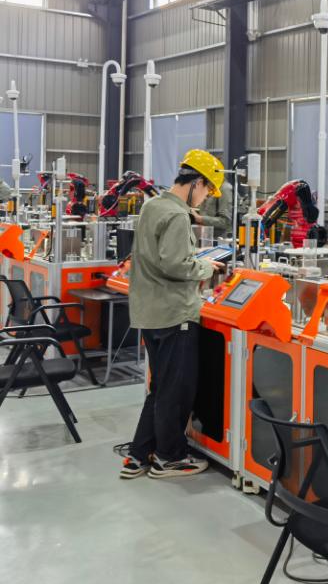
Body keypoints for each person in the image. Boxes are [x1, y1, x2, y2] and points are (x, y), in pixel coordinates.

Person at [120, 149, 226, 480]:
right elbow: (176, 265)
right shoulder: (178, 216)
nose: (205, 199)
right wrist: (206, 266)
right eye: (207, 191)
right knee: (176, 391)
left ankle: (138, 455)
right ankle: (169, 457)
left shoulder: (152, 206)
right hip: (173, 314)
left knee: (160, 387)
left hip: (149, 312)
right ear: (197, 183)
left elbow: (157, 257)